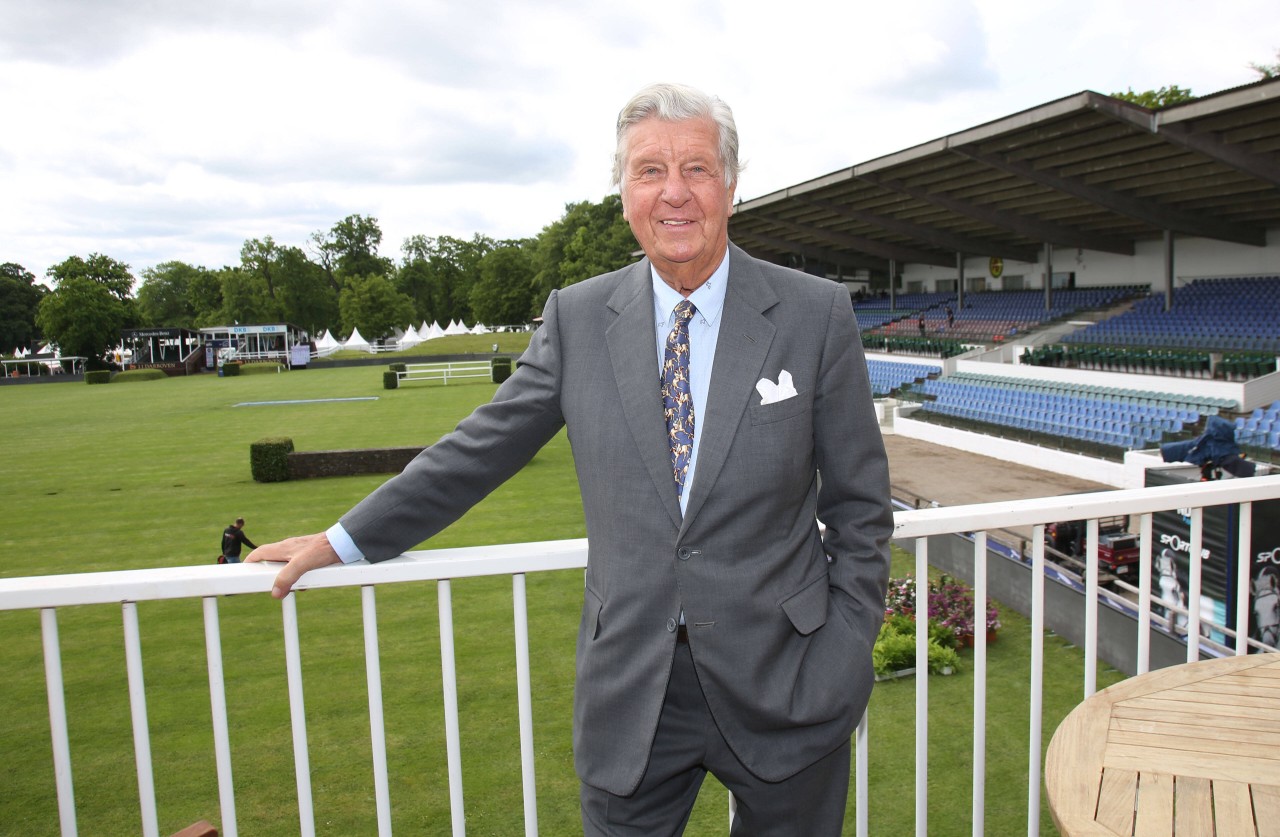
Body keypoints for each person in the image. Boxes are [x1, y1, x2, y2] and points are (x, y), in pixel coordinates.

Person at [248, 82, 892, 836]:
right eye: (650, 170)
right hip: (633, 696)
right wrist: (342, 540)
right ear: (623, 191)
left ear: (732, 184)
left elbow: (860, 506)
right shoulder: (579, 316)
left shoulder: (815, 312)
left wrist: (846, 647)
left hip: (790, 683)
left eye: (696, 169)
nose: (674, 193)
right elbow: (478, 449)